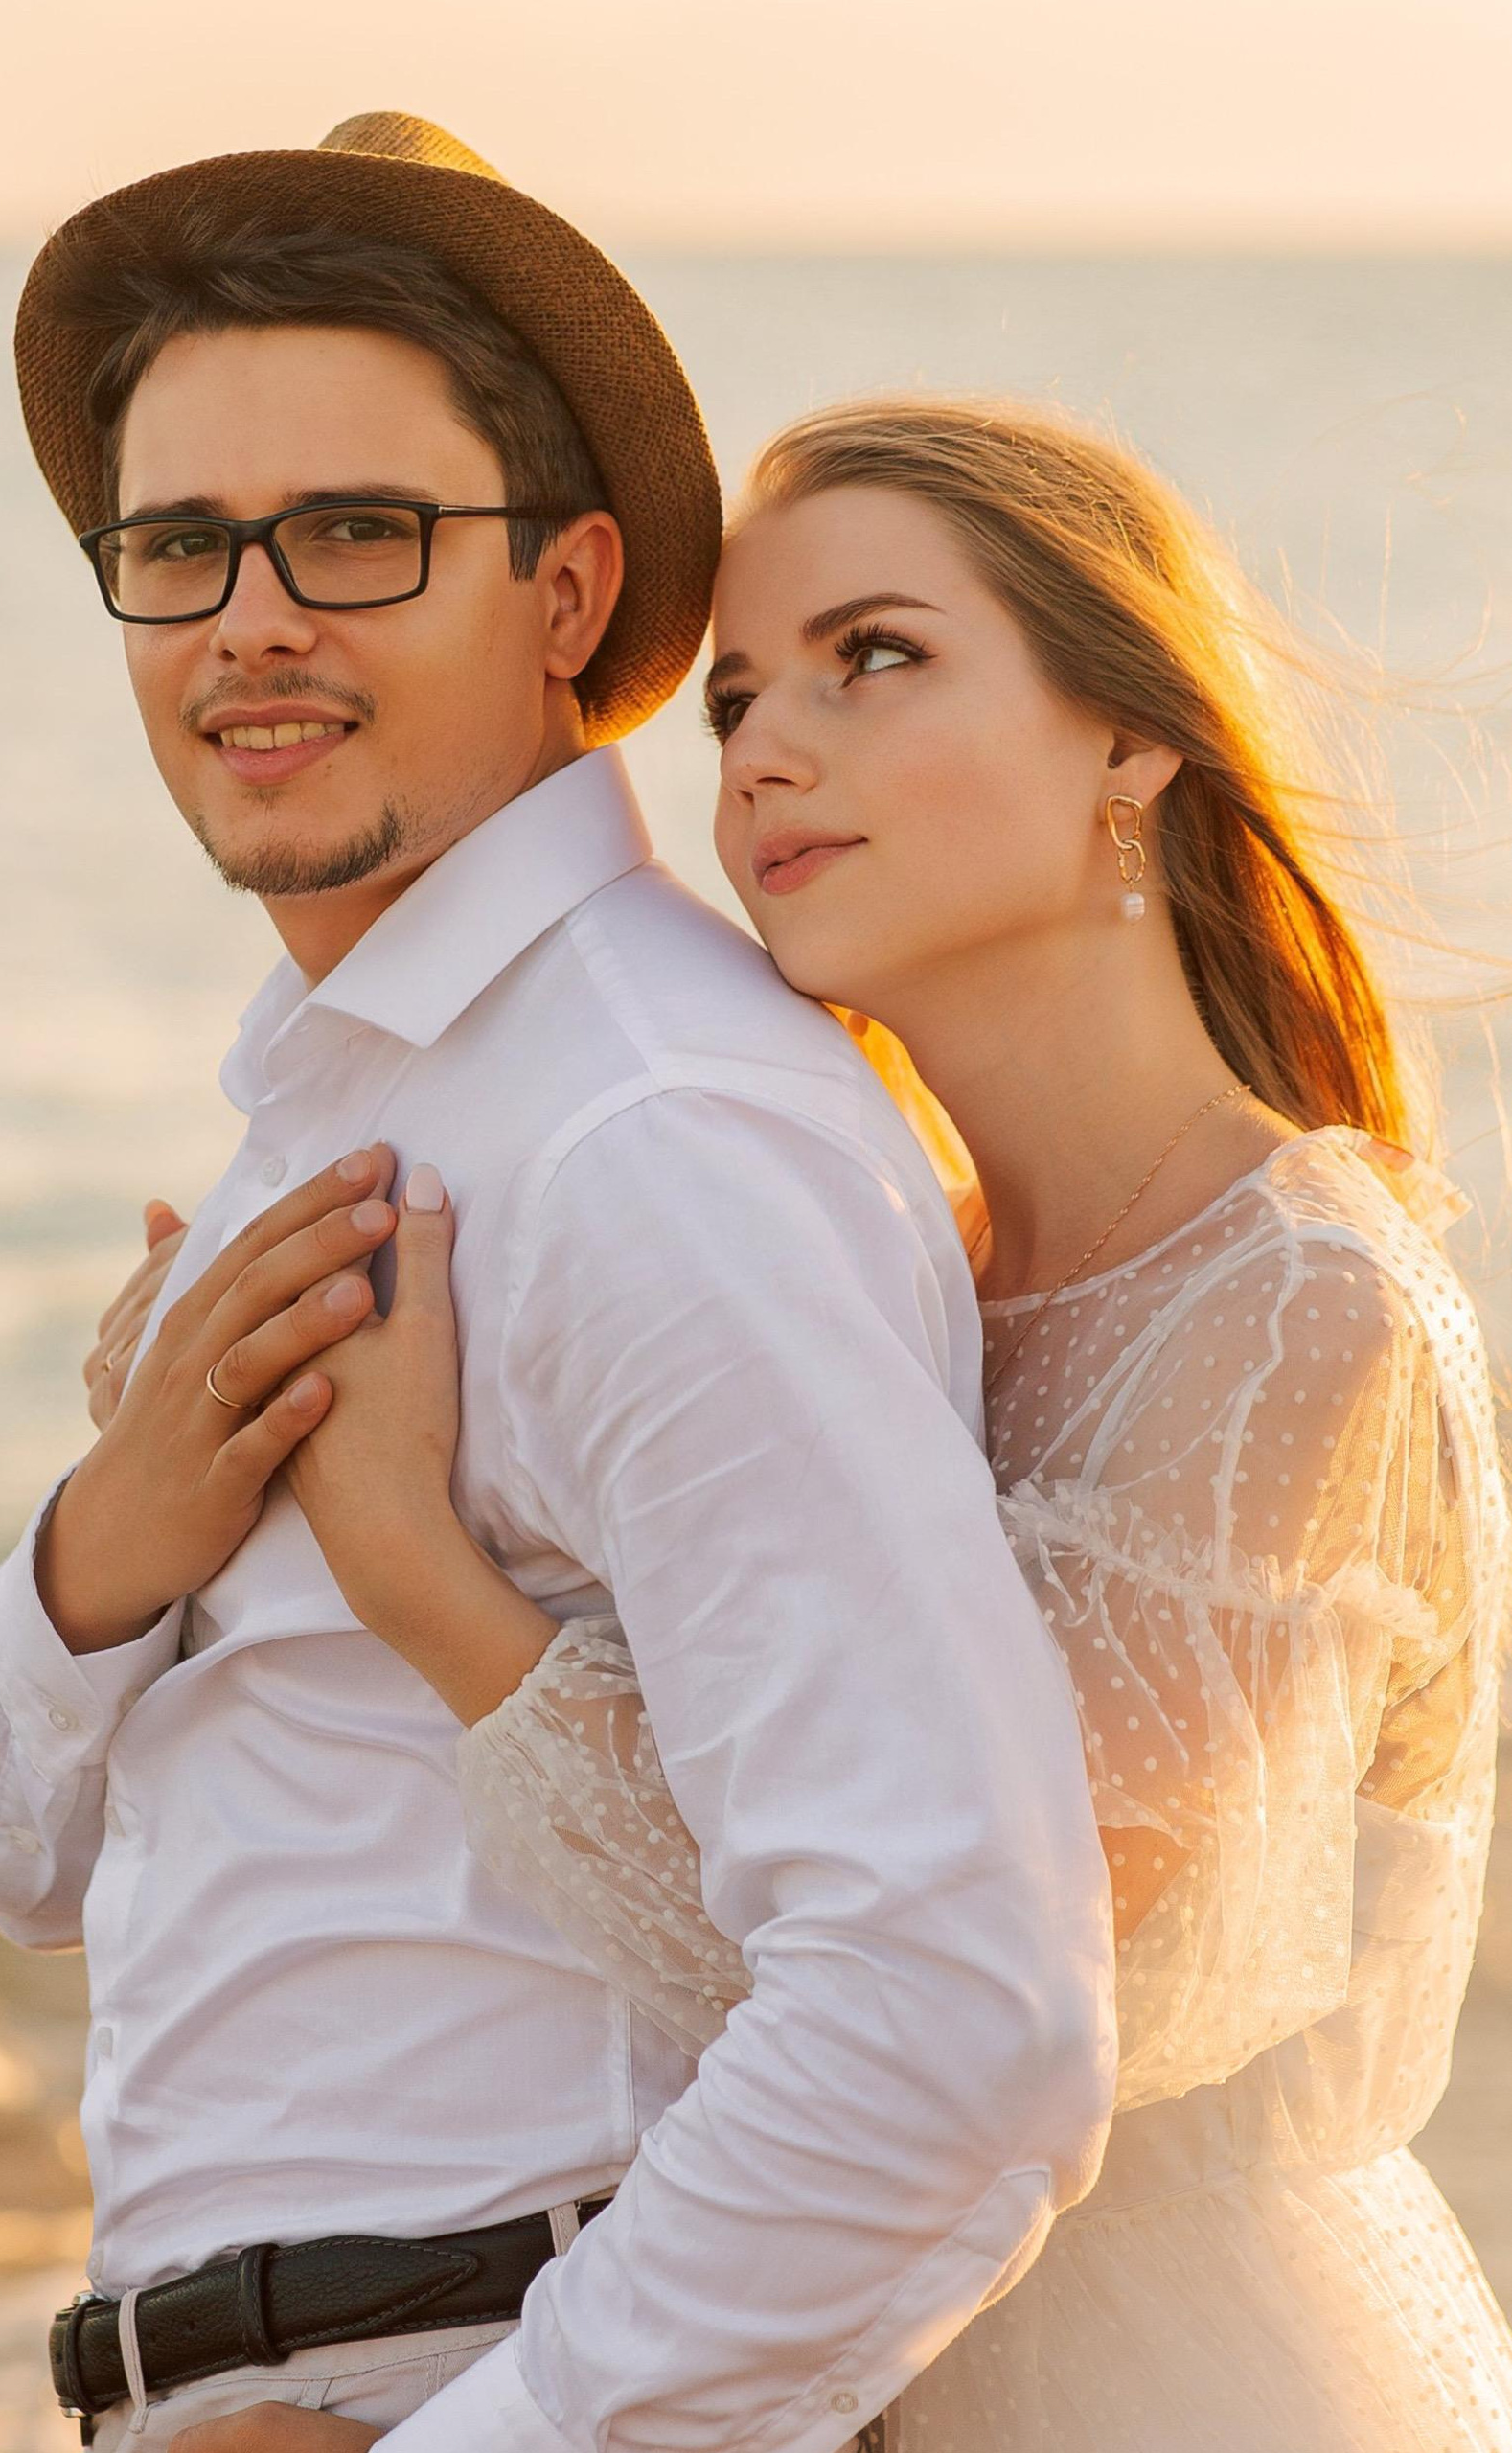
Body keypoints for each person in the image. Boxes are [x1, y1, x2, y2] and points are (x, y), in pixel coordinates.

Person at [91, 394, 1512, 2449]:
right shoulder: (877, 1257)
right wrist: (205, 1438)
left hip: (1161, 2381)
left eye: (872, 658)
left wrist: (411, 1557)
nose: (759, 750)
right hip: (808, 2365)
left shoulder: (1299, 1298)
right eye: (734, 694)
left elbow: (918, 1965)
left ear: (1127, 737)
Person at [0, 112, 1116, 2453]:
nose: (250, 615)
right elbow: (1, 1849)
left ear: (560, 598)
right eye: (177, 544)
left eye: (357, 531)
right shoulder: (343, 1109)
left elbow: (959, 2007)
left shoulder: (647, 1132)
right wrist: (106, 1542)